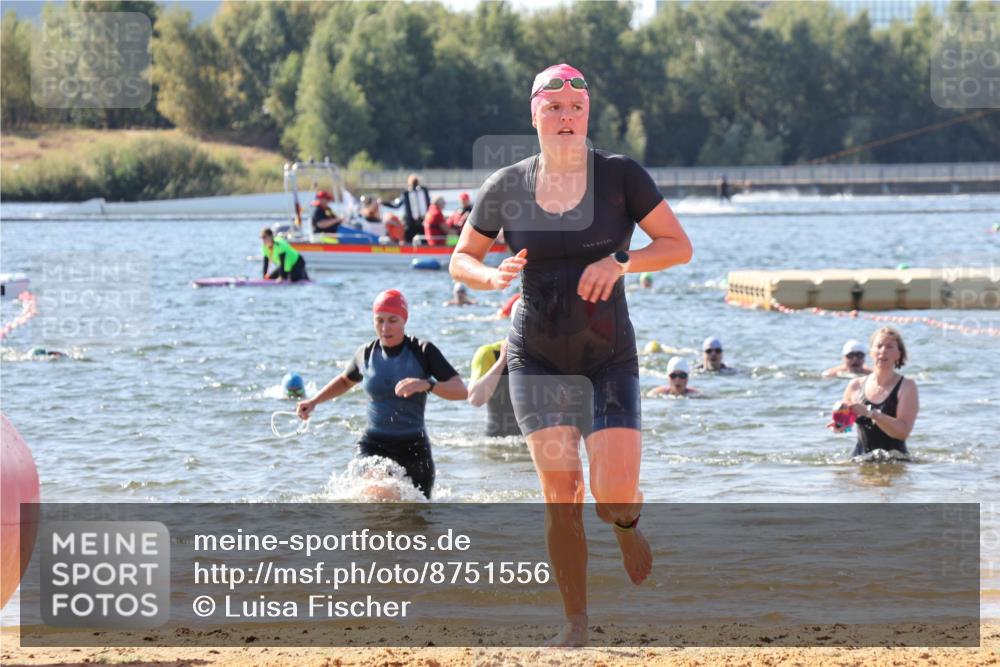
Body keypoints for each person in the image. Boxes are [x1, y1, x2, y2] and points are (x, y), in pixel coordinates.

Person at [449, 63, 693, 646]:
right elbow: (461, 258)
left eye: (576, 108)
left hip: (608, 356)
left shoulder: (619, 176)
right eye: (553, 108)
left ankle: (626, 525)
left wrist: (622, 260)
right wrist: (489, 277)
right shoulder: (507, 185)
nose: (566, 117)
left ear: (587, 115)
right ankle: (576, 623)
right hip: (536, 356)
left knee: (613, 496)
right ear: (534, 115)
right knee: (562, 495)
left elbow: (678, 246)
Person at [296, 290, 467, 499]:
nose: (385, 328)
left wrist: (427, 384)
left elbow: (461, 390)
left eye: (393, 320)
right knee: (375, 490)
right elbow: (345, 380)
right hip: (373, 445)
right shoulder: (366, 353)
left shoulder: (422, 351)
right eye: (379, 321)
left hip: (414, 448)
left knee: (416, 512)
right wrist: (314, 401)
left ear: (405, 319)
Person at [828, 327, 918, 459]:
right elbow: (847, 426)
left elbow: (903, 433)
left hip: (896, 461)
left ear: (899, 354)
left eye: (889, 346)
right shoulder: (855, 385)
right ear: (871, 352)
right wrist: (839, 424)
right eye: (879, 346)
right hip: (860, 459)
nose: (883, 350)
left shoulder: (907, 386)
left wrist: (871, 413)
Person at [467, 299, 521, 437]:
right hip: (498, 442)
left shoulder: (547, 355)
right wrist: (502, 360)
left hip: (540, 442)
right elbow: (475, 399)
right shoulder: (489, 353)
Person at [385, 174, 430, 243]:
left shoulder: (408, 193)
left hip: (415, 224)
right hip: (418, 223)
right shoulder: (422, 191)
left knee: (411, 241)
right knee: (421, 241)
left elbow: (396, 205)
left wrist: (383, 203)